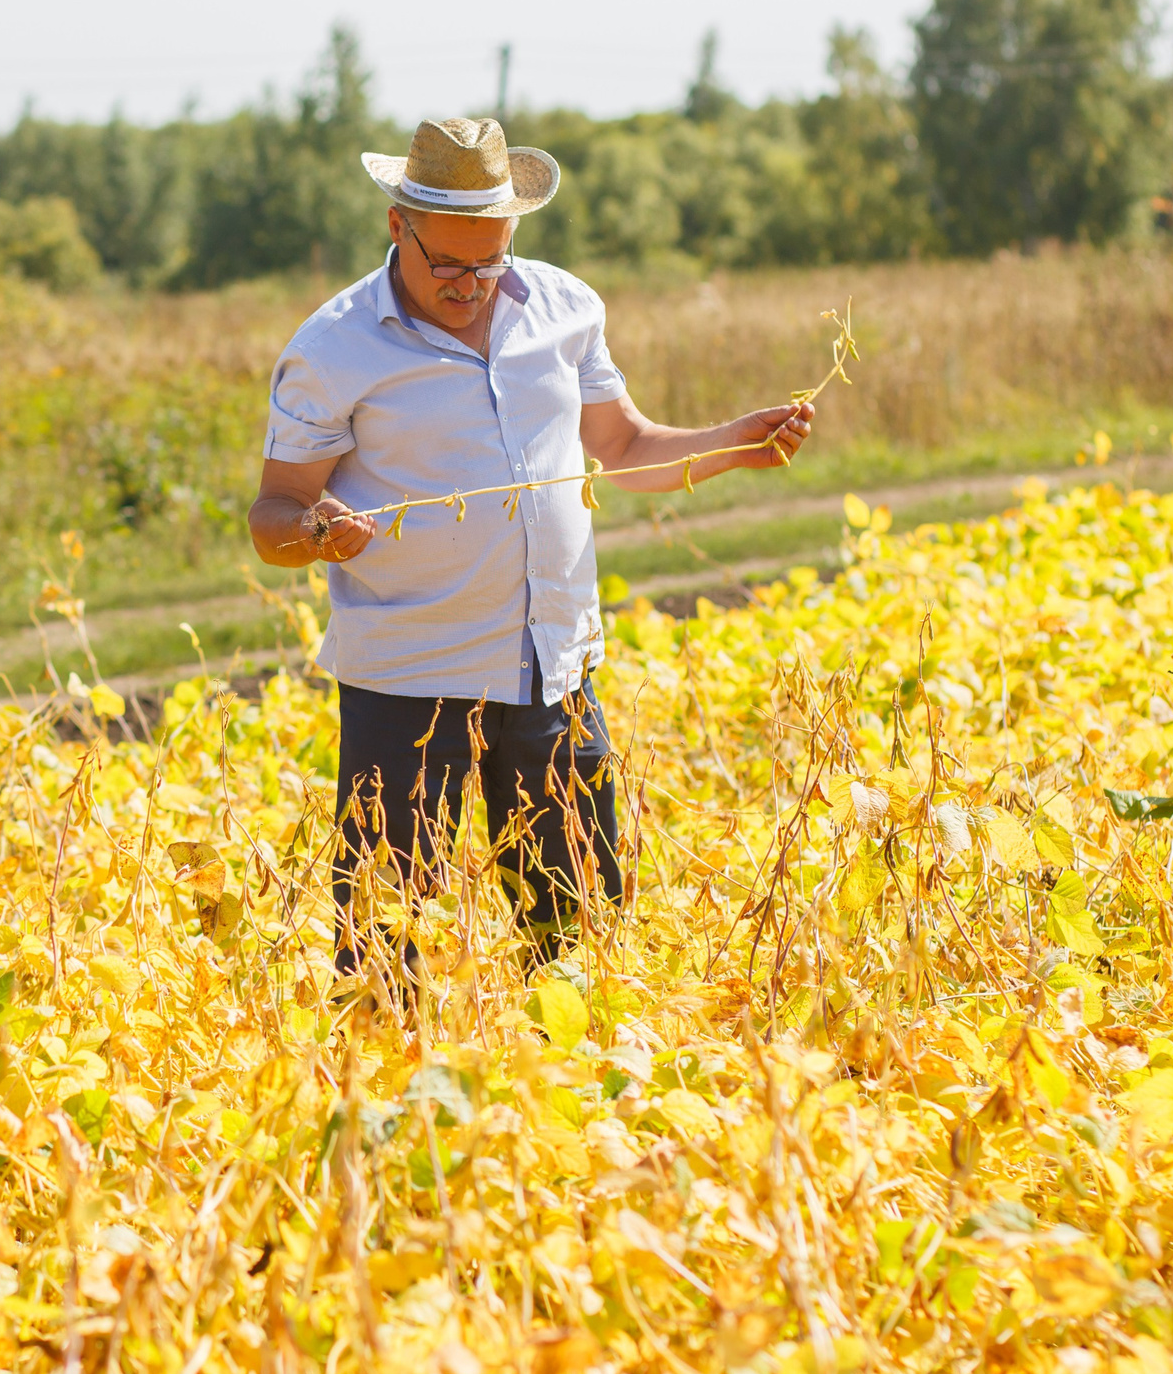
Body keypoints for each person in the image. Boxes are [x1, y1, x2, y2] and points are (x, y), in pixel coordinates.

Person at [247, 118, 813, 969]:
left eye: (491, 259)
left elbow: (621, 448)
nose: (471, 283)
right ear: (399, 227)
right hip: (409, 682)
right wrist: (317, 533)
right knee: (389, 946)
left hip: (552, 667)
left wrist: (735, 442)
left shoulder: (564, 308)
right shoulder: (333, 348)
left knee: (580, 934)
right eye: (448, 263)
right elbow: (274, 514)